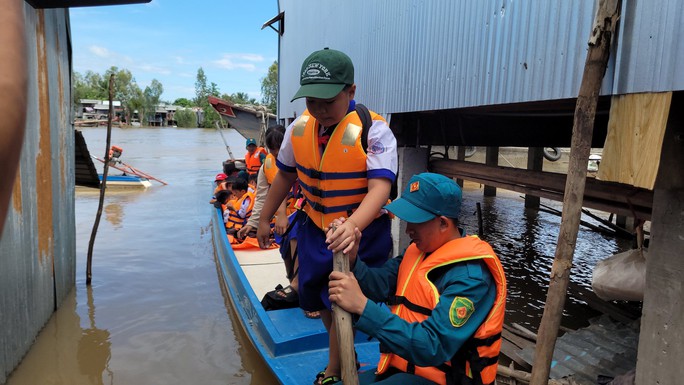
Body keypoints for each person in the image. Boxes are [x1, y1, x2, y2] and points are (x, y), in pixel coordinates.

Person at [256, 47, 398, 384]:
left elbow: (380, 189)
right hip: (315, 229)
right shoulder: (299, 130)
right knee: (320, 301)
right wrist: (264, 217)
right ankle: (341, 358)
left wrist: (352, 226)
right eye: (312, 101)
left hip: (359, 233)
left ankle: (336, 370)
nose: (319, 109)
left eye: (328, 101)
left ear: (351, 91)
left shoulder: (374, 130)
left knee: (344, 305)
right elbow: (286, 176)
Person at [328, 173, 507, 385]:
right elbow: (379, 285)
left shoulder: (471, 278)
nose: (408, 229)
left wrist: (363, 307)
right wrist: (353, 260)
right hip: (405, 368)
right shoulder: (417, 252)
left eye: (416, 221)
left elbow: (432, 346)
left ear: (442, 223)